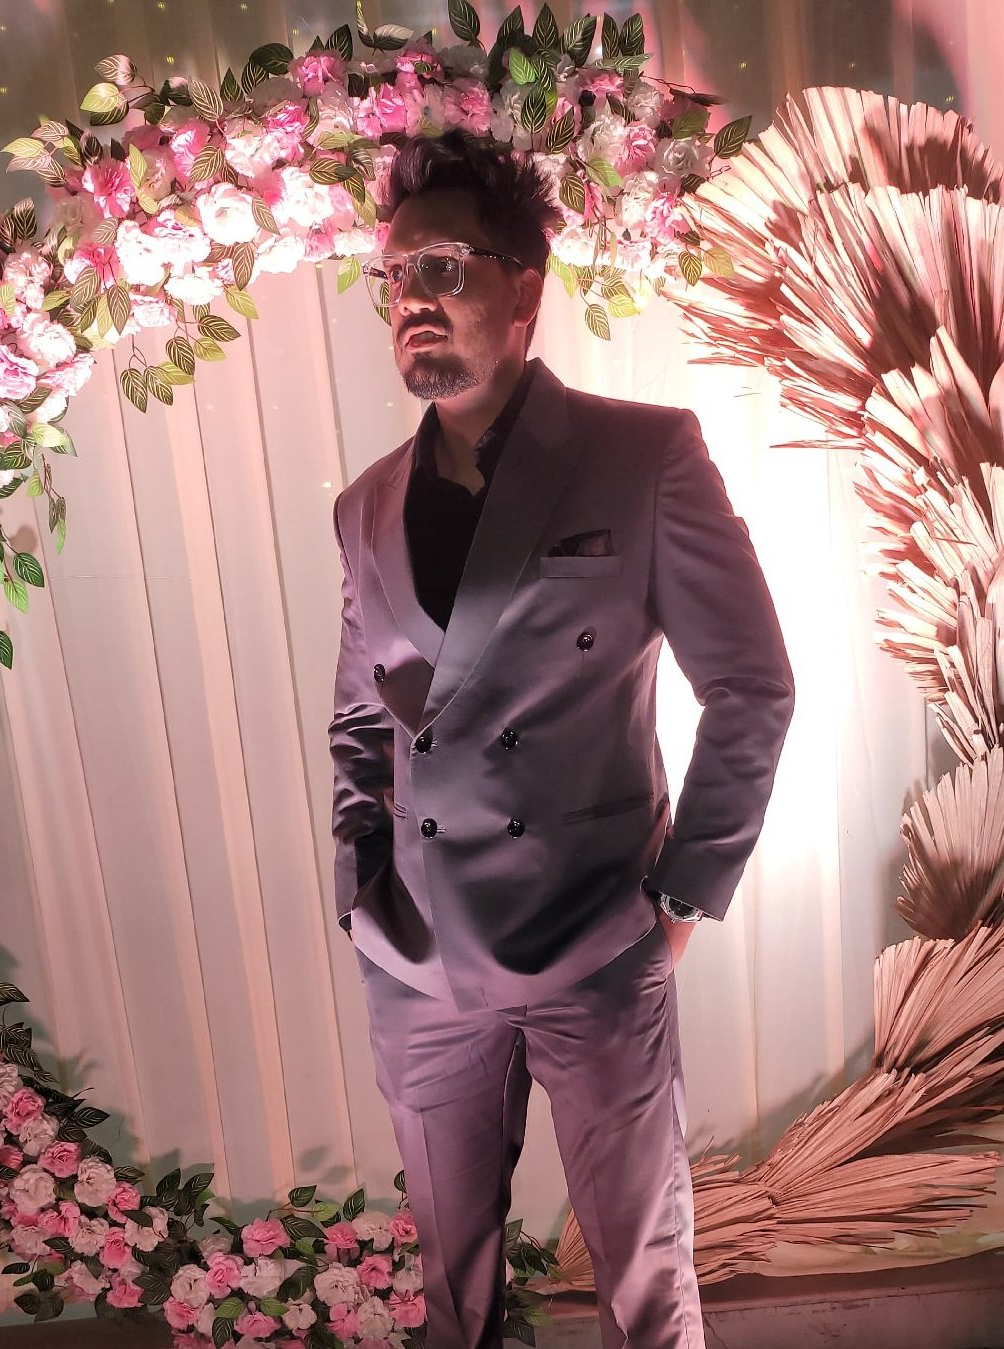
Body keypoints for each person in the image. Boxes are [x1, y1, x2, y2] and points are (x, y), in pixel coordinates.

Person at [327, 128, 794, 1349]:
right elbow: (358, 719)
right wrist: (361, 890)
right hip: (420, 959)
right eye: (395, 276)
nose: (412, 299)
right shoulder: (366, 505)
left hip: (594, 940)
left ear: (524, 290)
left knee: (643, 1274)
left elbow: (751, 685)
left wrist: (677, 902)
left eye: (444, 268)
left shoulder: (644, 456)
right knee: (453, 1283)